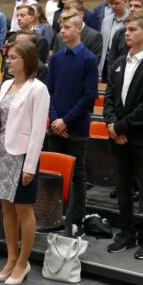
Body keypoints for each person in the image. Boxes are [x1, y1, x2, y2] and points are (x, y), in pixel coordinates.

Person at [103, 14, 143, 259]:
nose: (127, 34)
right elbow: (109, 97)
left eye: (132, 30)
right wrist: (111, 125)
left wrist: (120, 128)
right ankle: (127, 232)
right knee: (122, 187)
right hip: (118, 136)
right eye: (125, 30)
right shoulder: (120, 61)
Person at [0, 40, 50, 285]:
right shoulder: (6, 85)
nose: (8, 61)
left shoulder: (38, 89)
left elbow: (38, 130)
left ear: (27, 60)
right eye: (8, 57)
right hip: (3, 152)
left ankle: (23, 262)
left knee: (24, 209)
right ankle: (11, 258)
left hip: (23, 155)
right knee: (6, 208)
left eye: (13, 57)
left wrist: (30, 165)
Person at [46, 12, 98, 237]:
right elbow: (49, 91)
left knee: (77, 175)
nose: (63, 31)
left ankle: (76, 220)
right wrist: (55, 119)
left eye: (67, 27)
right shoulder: (56, 58)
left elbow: (89, 96)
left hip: (76, 126)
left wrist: (65, 121)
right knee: (55, 173)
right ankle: (55, 215)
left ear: (79, 29)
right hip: (55, 125)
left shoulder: (88, 59)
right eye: (61, 28)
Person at [99, 0, 128, 79]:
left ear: (125, 1)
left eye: (117, 3)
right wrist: (100, 70)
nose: (114, 6)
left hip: (126, 63)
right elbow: (103, 46)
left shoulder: (132, 19)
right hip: (108, 63)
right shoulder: (106, 20)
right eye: (111, 3)